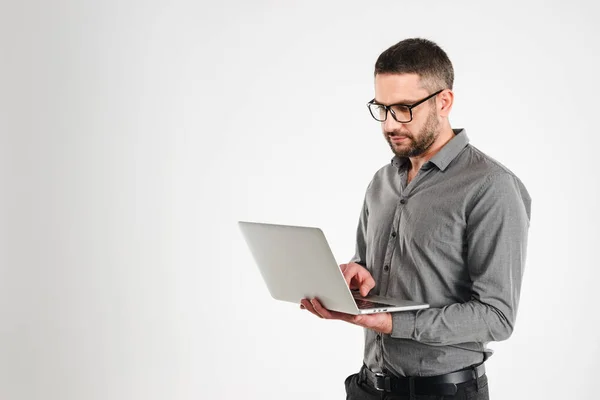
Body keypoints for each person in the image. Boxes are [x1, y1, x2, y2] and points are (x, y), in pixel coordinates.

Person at [300, 38, 531, 400]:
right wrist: (354, 278)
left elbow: (496, 317)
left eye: (405, 108)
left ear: (444, 101)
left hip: (442, 392)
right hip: (368, 387)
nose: (390, 124)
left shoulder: (492, 187)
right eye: (383, 108)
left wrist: (392, 323)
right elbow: (371, 269)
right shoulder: (382, 181)